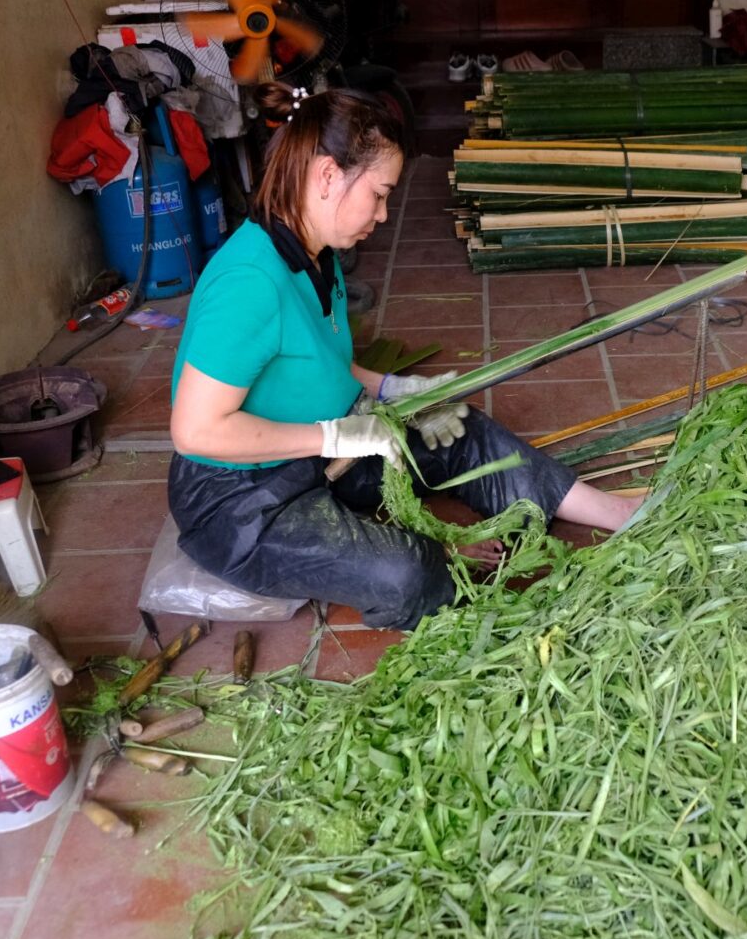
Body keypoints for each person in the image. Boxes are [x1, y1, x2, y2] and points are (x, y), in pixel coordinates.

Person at [167, 85, 640, 630]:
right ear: (327, 176)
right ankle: (470, 592)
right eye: (379, 194)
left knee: (459, 429)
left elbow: (313, 362)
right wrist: (333, 437)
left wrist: (394, 389)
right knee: (406, 574)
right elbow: (196, 431)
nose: (384, 213)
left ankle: (618, 511)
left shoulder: (315, 253)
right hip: (239, 499)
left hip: (316, 451)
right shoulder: (248, 283)